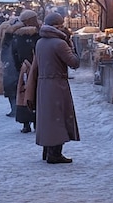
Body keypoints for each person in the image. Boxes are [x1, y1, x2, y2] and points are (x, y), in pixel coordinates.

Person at [33, 11, 80, 164]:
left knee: (48, 117)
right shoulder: (60, 43)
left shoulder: (40, 42)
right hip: (57, 84)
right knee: (58, 117)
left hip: (43, 84)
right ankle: (55, 154)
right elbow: (74, 63)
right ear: (57, 26)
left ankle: (47, 150)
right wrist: (73, 45)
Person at [2, 10, 40, 131]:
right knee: (33, 96)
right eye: (34, 18)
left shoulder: (15, 33)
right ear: (29, 20)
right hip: (30, 70)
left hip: (22, 70)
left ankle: (27, 123)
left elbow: (7, 51)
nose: (36, 20)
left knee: (24, 97)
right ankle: (33, 122)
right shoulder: (36, 33)